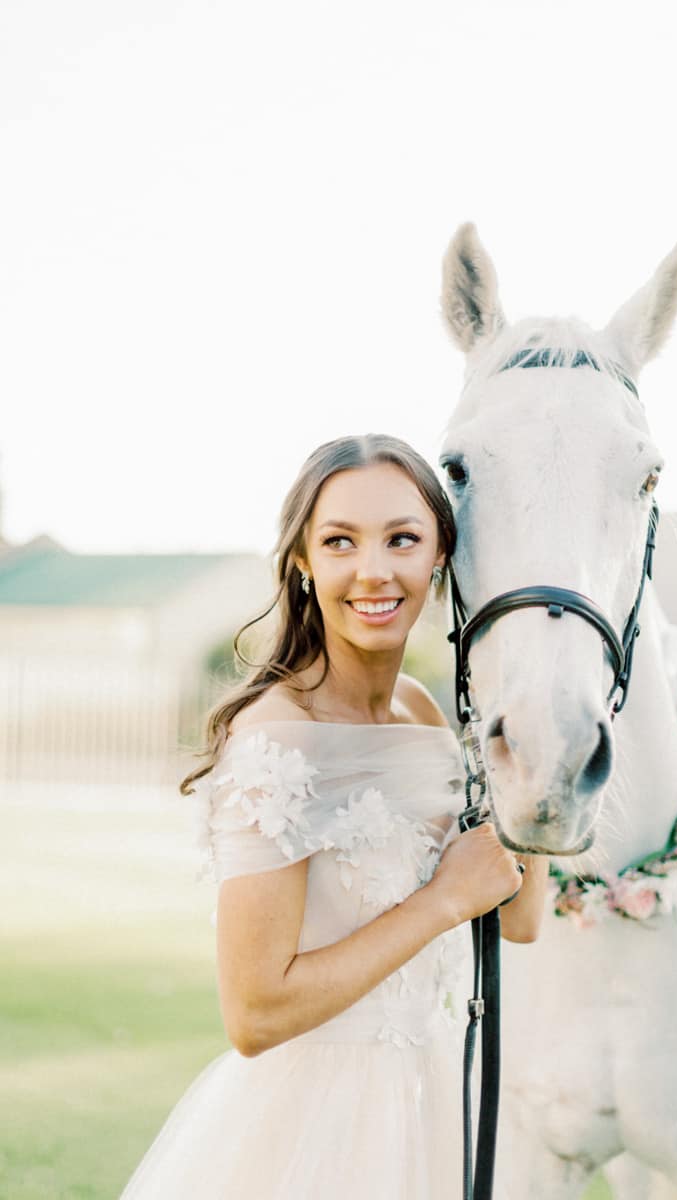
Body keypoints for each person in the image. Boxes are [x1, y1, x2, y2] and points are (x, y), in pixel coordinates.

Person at [119, 433, 549, 1200]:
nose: (374, 570)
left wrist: (533, 749)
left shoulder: (422, 713)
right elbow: (255, 1012)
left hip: (431, 1103)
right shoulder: (280, 734)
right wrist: (444, 900)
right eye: (341, 542)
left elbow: (518, 920)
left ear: (439, 559)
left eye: (403, 539)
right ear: (302, 563)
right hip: (313, 1128)